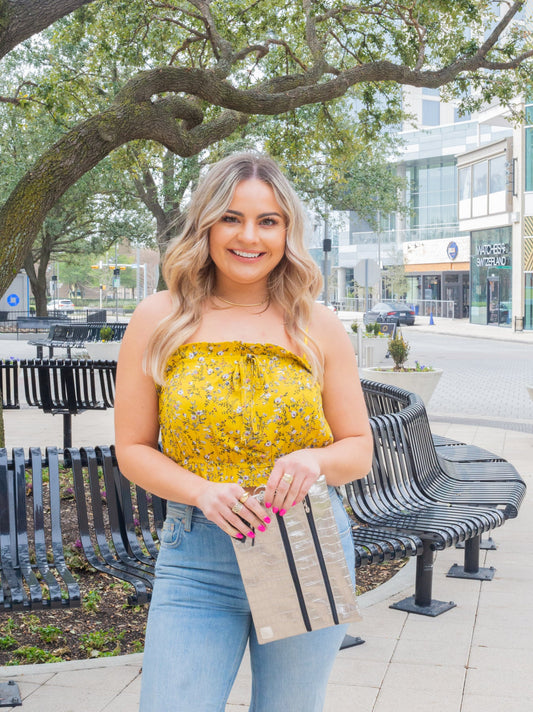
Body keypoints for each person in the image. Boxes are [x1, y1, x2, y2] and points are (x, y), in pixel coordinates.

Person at [114, 152, 373, 712]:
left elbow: (358, 452)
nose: (248, 236)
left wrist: (314, 461)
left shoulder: (316, 324)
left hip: (301, 544)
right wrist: (200, 491)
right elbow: (132, 449)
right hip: (197, 558)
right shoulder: (159, 318)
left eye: (268, 221)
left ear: (287, 231)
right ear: (205, 224)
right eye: (231, 218)